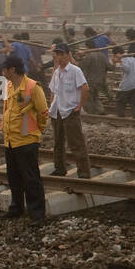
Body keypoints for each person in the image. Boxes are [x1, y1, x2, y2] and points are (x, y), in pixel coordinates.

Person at [0, 55, 49, 225]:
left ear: (12, 69)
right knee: (14, 177)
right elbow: (7, 109)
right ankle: (16, 208)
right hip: (11, 139)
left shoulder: (33, 86)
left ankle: (37, 215)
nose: (2, 71)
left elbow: (43, 113)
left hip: (27, 140)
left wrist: (35, 132)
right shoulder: (9, 85)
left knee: (31, 178)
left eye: (4, 68)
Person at [47, 42, 92, 178]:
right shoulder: (56, 72)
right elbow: (53, 90)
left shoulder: (75, 71)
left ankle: (84, 172)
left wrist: (79, 106)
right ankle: (59, 168)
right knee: (58, 143)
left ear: (68, 55)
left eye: (61, 54)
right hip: (57, 111)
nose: (59, 58)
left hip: (70, 112)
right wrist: (51, 105)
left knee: (76, 143)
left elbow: (85, 88)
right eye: (57, 55)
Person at [113, 45, 135, 116]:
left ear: (117, 54)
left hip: (128, 85)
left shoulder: (123, 59)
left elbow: (127, 69)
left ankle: (120, 117)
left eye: (115, 55)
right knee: (134, 103)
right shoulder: (133, 59)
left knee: (120, 101)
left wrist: (120, 61)